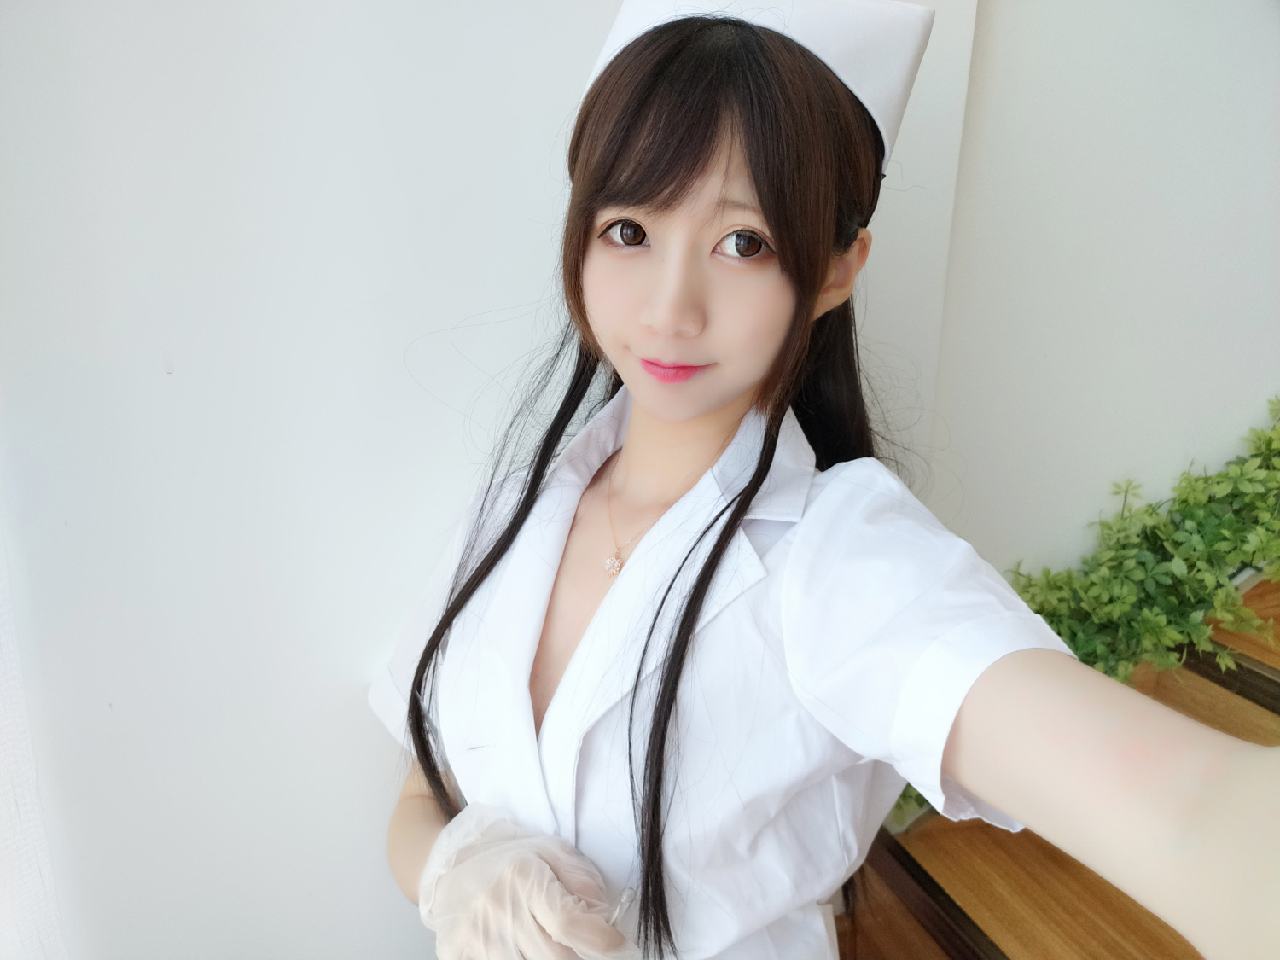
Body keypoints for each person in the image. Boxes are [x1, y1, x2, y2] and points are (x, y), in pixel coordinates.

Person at [368, 3, 1280, 958]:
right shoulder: (516, 511)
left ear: (839, 269)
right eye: (630, 229)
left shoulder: (838, 559)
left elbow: (1191, 812)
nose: (670, 310)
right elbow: (422, 790)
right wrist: (457, 869)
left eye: (743, 243)